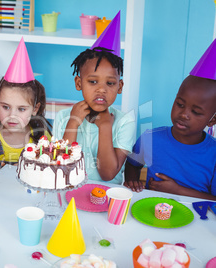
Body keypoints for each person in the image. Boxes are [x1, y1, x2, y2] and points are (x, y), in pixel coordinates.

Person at [124, 39, 216, 200]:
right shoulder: (150, 138)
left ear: (212, 120)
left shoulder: (213, 153)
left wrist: (177, 190)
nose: (184, 114)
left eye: (195, 112)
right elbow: (133, 164)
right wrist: (132, 181)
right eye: (180, 104)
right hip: (152, 212)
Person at [53, 12, 135, 184]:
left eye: (110, 84)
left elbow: (108, 174)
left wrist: (105, 127)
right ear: (79, 83)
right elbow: (60, 166)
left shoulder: (125, 122)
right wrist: (73, 123)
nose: (101, 89)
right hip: (69, 189)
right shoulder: (63, 117)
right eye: (93, 81)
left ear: (120, 87)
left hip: (106, 196)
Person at [0, 38, 51, 171]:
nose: (12, 115)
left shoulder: (42, 138)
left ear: (35, 109)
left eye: (21, 109)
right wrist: (4, 174)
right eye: (5, 107)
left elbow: (51, 171)